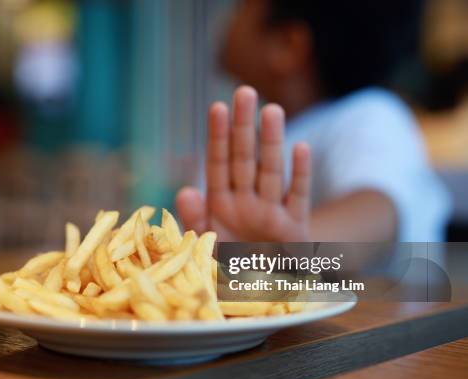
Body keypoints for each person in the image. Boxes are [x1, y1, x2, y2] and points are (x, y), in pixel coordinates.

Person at [176, 0, 450, 242]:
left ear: (286, 44)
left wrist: (291, 251)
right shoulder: (260, 135)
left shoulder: (372, 115)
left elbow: (377, 210)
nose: (225, 20)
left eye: (241, 5)